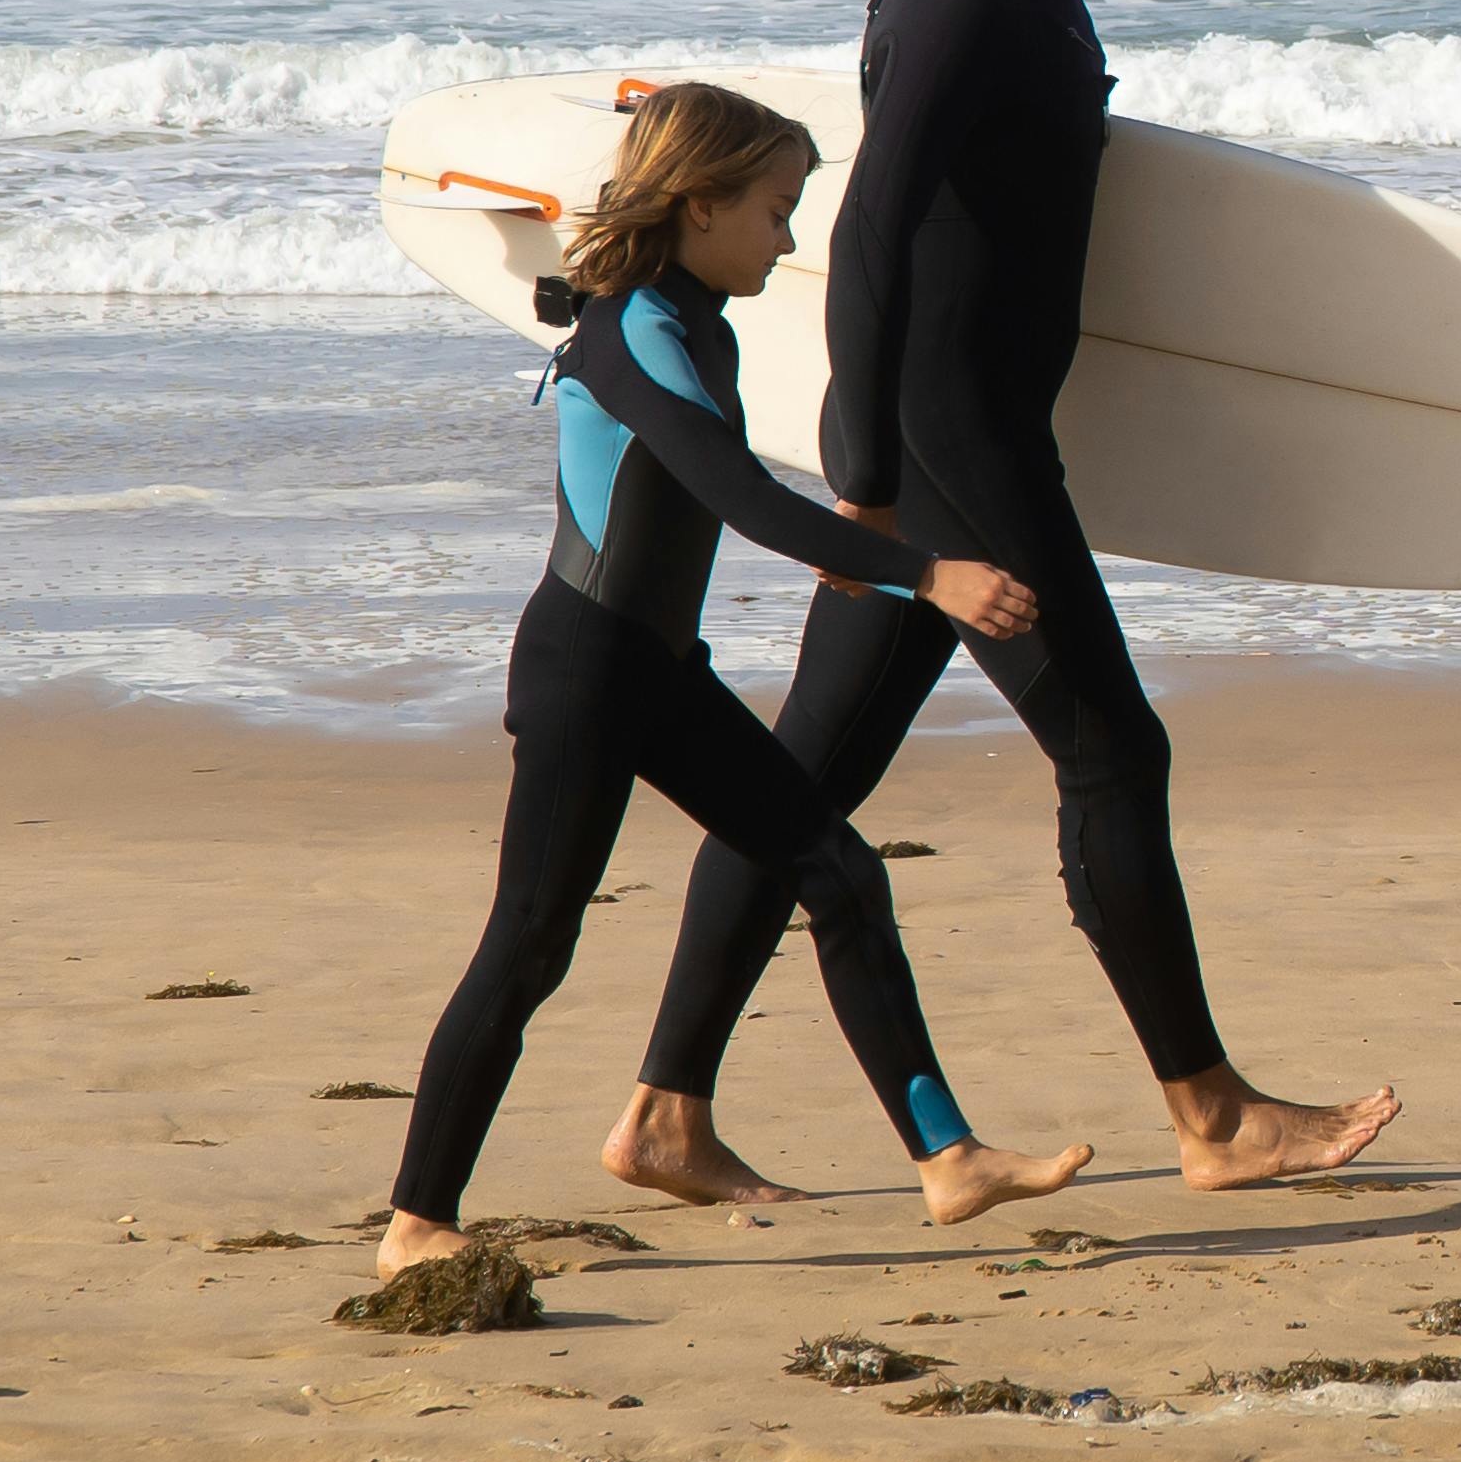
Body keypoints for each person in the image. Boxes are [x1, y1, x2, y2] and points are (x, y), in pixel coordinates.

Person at [645, 0, 1400, 1190]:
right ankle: (1213, 1117)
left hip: (971, 435)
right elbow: (869, 225)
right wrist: (864, 470)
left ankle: (664, 1115)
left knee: (796, 786)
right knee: (1115, 749)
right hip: (952, 453)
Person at [373, 81, 1085, 1282]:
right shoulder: (634, 326)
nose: (790, 236)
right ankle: (416, 1220)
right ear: (699, 205)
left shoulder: (695, 314)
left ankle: (949, 1157)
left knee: (841, 873)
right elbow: (739, 496)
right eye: (774, 209)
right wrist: (927, 575)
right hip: (587, 671)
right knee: (533, 938)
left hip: (656, 668)